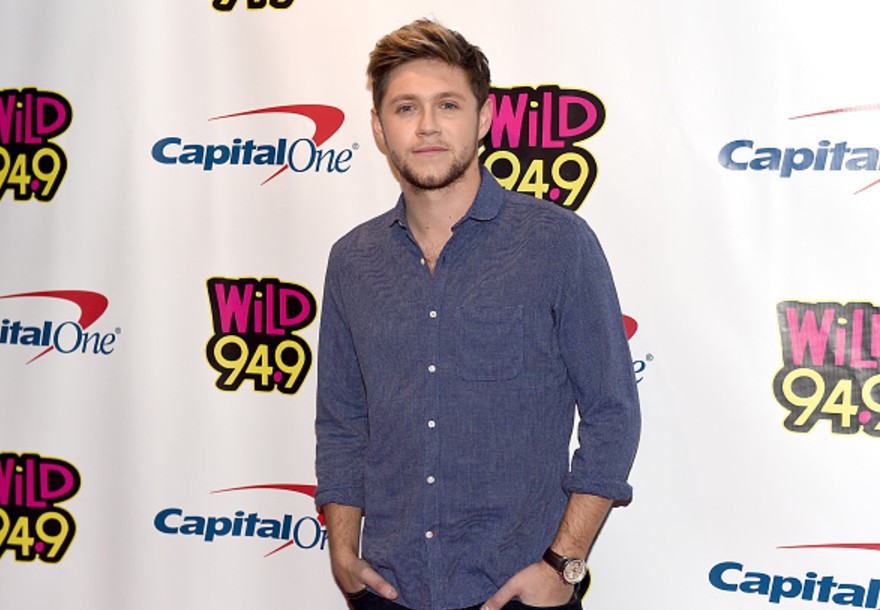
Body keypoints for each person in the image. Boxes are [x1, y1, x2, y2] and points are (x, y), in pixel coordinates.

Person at [314, 18, 640, 610]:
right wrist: (342, 549)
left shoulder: (557, 243)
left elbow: (611, 413)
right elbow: (342, 421)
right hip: (388, 589)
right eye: (406, 108)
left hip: (519, 591)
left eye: (448, 105)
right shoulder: (352, 261)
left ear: (484, 118)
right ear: (379, 128)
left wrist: (563, 563)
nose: (428, 125)